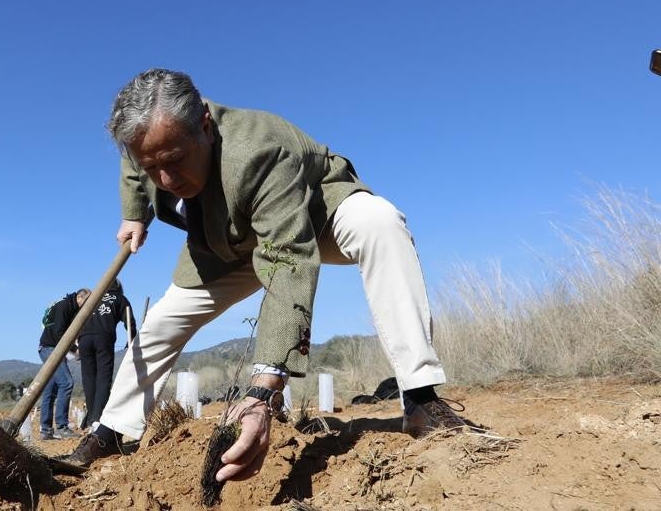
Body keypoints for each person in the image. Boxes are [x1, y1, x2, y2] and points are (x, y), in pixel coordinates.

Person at [62, 69, 474, 484]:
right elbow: (134, 164)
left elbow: (286, 260)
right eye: (154, 166)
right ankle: (112, 431)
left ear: (204, 125)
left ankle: (421, 398)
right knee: (160, 324)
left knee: (379, 223)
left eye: (174, 161)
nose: (166, 180)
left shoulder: (260, 149)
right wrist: (133, 214)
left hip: (312, 217)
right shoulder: (146, 144)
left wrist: (262, 391)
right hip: (226, 239)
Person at [77, 280, 136, 430]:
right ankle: (97, 418)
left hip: (83, 338)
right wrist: (132, 340)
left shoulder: (93, 297)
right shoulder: (120, 299)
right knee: (104, 377)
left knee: (89, 378)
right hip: (103, 337)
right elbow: (129, 321)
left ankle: (91, 416)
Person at [37, 288, 88, 440]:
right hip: (50, 349)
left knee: (50, 389)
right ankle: (62, 427)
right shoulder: (65, 306)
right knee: (66, 383)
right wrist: (75, 350)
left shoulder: (67, 305)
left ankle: (45, 431)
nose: (87, 306)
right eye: (86, 302)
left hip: (47, 348)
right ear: (79, 297)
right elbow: (60, 333)